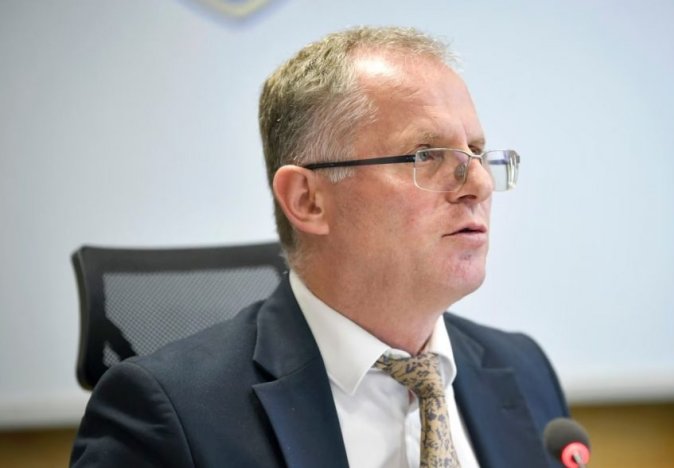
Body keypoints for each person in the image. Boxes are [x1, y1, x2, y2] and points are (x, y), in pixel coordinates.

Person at [71, 26, 569, 468]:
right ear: (308, 200)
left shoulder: (523, 369)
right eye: (426, 155)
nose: (478, 184)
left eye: (476, 153)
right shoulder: (167, 414)